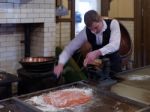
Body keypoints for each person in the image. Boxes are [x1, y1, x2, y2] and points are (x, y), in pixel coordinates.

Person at [54, 10, 122, 78]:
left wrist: (96, 52)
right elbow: (70, 48)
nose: (94, 31)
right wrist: (60, 64)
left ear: (100, 19)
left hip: (114, 66)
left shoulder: (113, 23)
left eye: (96, 27)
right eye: (91, 29)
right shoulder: (86, 31)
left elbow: (115, 44)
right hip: (98, 68)